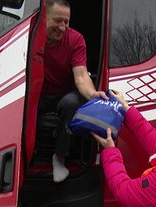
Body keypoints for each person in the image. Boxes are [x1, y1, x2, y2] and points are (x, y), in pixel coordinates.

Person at [40, 0, 107, 182]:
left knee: (72, 102)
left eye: (66, 22)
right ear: (44, 17)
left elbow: (81, 76)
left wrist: (93, 95)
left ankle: (59, 159)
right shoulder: (30, 37)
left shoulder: (76, 40)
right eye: (58, 21)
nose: (62, 27)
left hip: (64, 94)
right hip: (38, 93)